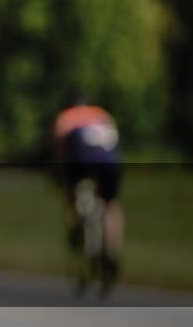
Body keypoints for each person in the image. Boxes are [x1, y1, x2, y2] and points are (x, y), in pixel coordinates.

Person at [53, 95, 123, 279]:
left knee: (71, 192)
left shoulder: (66, 117)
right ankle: (112, 250)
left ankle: (77, 225)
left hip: (81, 161)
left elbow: (60, 149)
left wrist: (60, 178)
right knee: (111, 205)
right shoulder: (102, 114)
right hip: (109, 162)